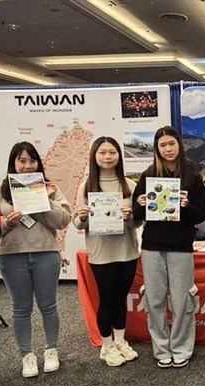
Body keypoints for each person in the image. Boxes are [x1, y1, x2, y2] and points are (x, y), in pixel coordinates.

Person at [0, 142, 72, 378]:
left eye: (32, 161)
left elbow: (63, 220)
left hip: (46, 252)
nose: (27, 166)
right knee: (20, 308)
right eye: (22, 161)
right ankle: (26, 354)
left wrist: (45, 200)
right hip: (11, 255)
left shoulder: (50, 188)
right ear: (13, 164)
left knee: (48, 306)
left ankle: (51, 349)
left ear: (39, 163)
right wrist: (7, 223)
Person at [132, 126, 205, 369]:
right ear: (157, 148)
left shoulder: (192, 175)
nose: (168, 149)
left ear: (179, 145)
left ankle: (181, 347)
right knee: (154, 300)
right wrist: (141, 203)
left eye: (171, 144)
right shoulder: (148, 174)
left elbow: (201, 213)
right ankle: (161, 347)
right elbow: (136, 213)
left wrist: (186, 206)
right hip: (152, 246)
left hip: (181, 246)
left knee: (182, 300)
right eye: (163, 145)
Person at [73, 137, 141, 367]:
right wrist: (82, 217)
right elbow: (77, 223)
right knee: (107, 299)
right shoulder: (87, 186)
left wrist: (130, 216)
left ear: (119, 156)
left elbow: (138, 223)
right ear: (94, 156)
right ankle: (106, 345)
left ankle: (121, 341)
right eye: (102, 153)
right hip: (101, 253)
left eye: (112, 152)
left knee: (120, 298)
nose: (107, 157)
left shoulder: (129, 186)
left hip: (127, 251)